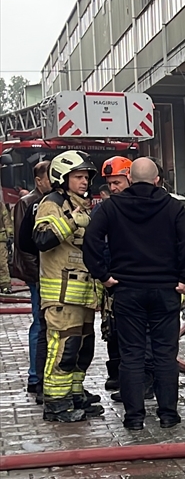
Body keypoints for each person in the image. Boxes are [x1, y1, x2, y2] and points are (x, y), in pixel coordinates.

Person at [83, 158, 185, 430]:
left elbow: (91, 241)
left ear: (130, 180)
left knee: (132, 355)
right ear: (158, 180)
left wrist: (104, 275)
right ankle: (168, 414)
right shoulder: (173, 208)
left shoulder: (111, 207)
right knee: (165, 355)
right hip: (165, 291)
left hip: (127, 291)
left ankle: (134, 418)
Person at [31, 151, 105, 423]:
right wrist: (72, 222)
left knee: (82, 349)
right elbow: (41, 238)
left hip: (83, 295)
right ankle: (55, 403)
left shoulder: (79, 203)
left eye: (86, 177)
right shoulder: (52, 203)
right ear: (63, 177)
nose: (85, 181)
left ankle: (75, 395)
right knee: (63, 349)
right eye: (78, 176)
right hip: (61, 295)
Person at [12, 160, 51, 397]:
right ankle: (35, 376)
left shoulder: (53, 200)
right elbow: (23, 243)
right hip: (37, 274)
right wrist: (36, 275)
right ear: (39, 180)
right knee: (39, 323)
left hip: (50, 272)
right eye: (50, 177)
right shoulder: (27, 203)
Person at [98, 156, 134, 392]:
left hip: (134, 282)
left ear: (130, 178)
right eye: (110, 184)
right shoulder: (105, 209)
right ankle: (117, 375)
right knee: (111, 328)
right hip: (111, 280)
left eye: (117, 182)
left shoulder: (142, 205)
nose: (113, 188)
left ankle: (138, 380)